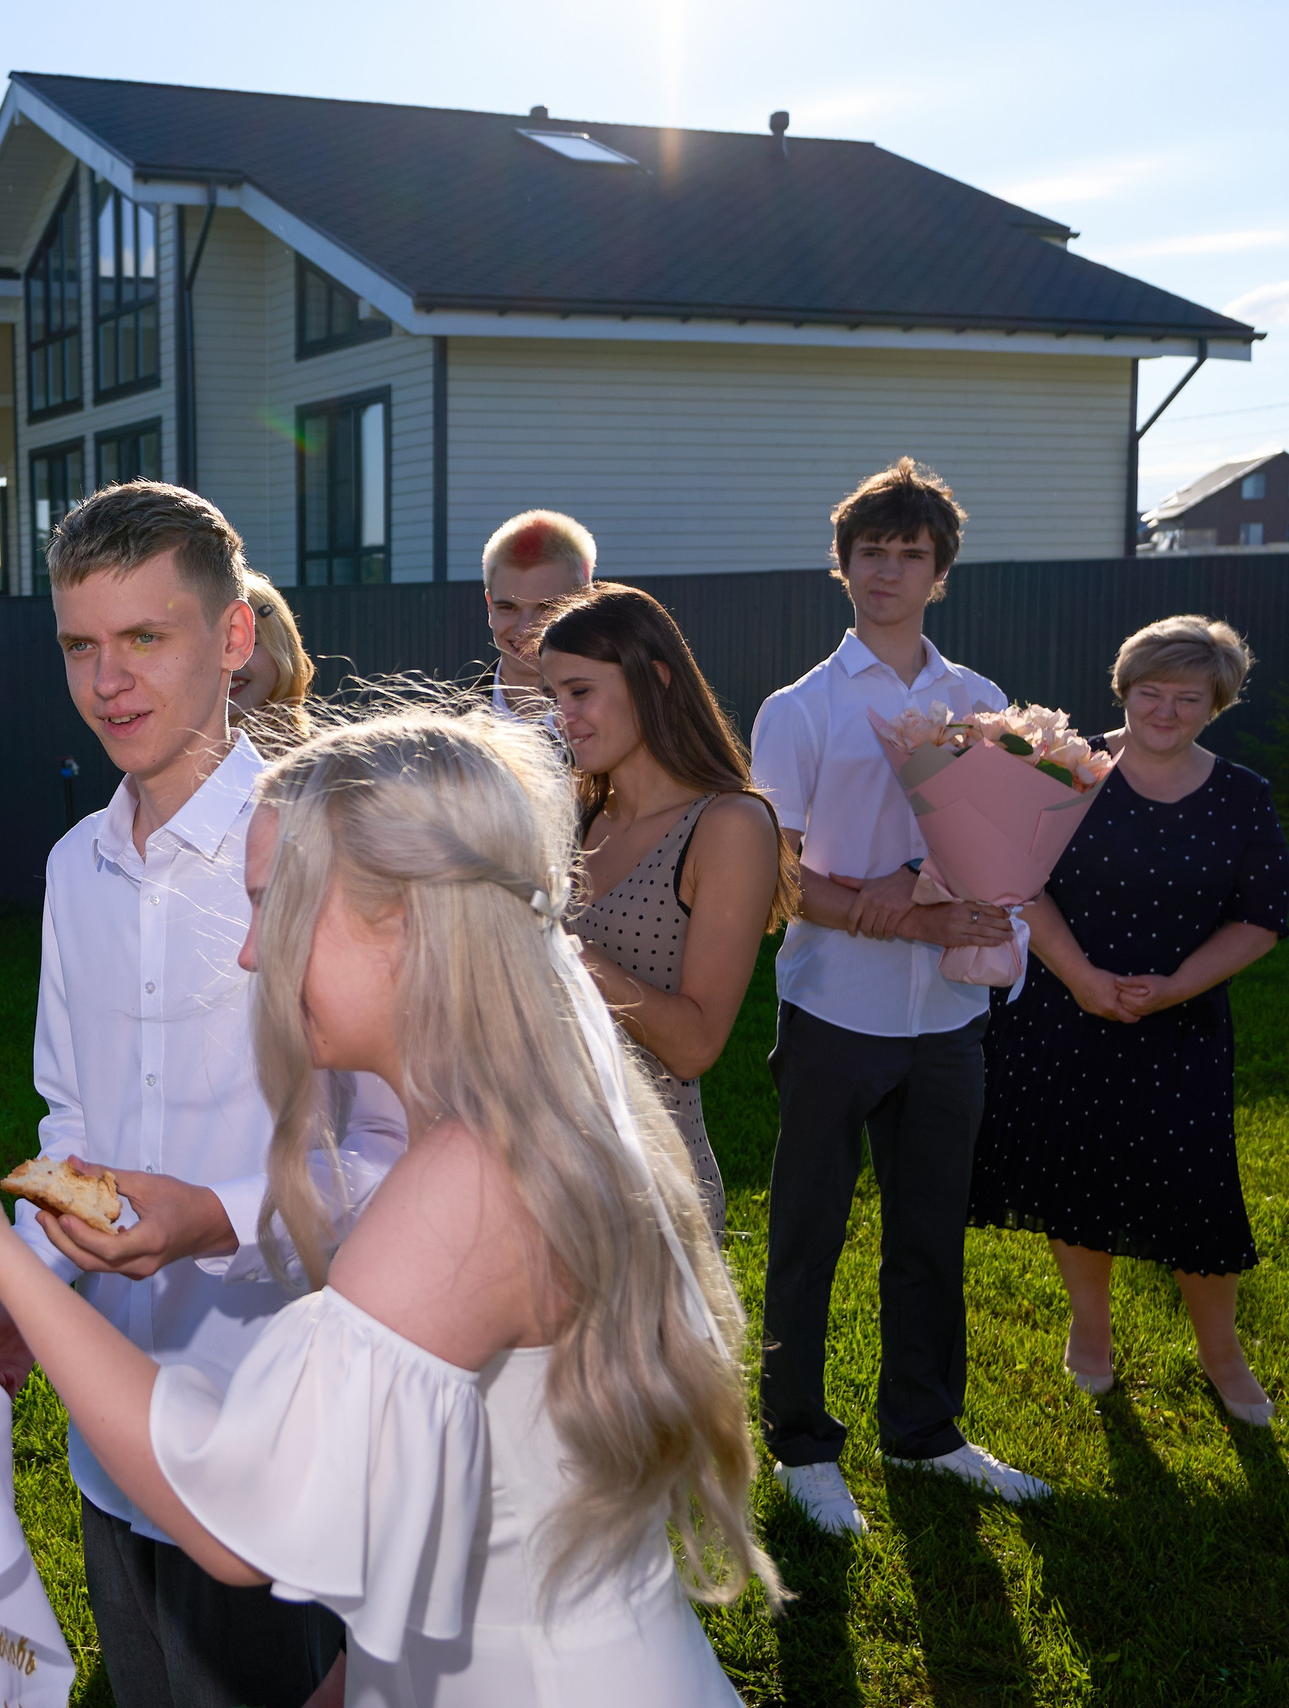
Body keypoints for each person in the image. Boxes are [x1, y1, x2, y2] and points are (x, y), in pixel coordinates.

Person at [0, 707, 773, 1708]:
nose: (251, 955)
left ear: (406, 919)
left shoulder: (466, 1184)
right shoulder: (522, 1117)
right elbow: (465, 1499)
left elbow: (238, 1517)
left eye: (275, 908)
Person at [23, 480, 408, 1708]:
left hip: (276, 1425)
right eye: (79, 645)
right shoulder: (71, 868)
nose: (107, 682)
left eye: (145, 636)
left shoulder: (322, 849)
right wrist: (20, 1271)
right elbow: (65, 1112)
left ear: (235, 636)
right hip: (109, 1437)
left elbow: (408, 1157)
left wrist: (217, 1218)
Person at [747, 457, 1048, 1537]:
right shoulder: (800, 708)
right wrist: (906, 914)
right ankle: (799, 1443)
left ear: (939, 573)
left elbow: (1006, 841)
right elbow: (775, 875)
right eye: (869, 552)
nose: (887, 570)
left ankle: (923, 1432)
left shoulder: (982, 703)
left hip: (949, 1018)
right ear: (841, 567)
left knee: (928, 1235)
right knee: (807, 1235)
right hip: (835, 1007)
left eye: (909, 554)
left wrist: (961, 894)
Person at [969, 615, 1285, 1423]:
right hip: (1065, 1005)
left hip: (1181, 1022)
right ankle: (1091, 1330)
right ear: (1124, 690)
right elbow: (1017, 878)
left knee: (1198, 1188)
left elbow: (1262, 918)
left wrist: (1175, 987)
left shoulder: (1242, 796)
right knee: (1077, 1173)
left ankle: (1224, 1355)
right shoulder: (1065, 769)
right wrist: (1080, 977)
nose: (1166, 711)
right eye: (1151, 692)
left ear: (1217, 704)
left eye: (1189, 697)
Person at [541, 581, 799, 1239]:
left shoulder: (729, 825)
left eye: (580, 692)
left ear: (655, 680)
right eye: (554, 696)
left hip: (653, 1195)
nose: (562, 716)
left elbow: (696, 1045)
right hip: (549, 1180)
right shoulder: (572, 814)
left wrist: (563, 950)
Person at [481, 509, 595, 720]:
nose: (525, 628)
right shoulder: (445, 731)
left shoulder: (631, 723)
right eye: (508, 607)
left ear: (585, 604)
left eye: (546, 608)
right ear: (490, 608)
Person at [230, 569, 318, 755]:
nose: (230, 661)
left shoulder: (325, 762)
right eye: (210, 645)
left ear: (282, 648)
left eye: (249, 642)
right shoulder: (167, 762)